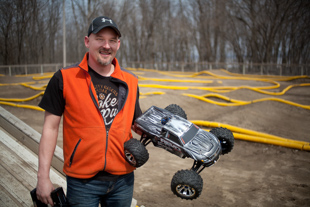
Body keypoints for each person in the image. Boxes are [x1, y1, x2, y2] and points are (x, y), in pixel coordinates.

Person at [35, 16, 142, 207]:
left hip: (123, 180)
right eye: (100, 38)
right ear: (87, 41)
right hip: (82, 182)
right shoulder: (64, 78)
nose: (106, 45)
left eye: (112, 40)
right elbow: (50, 129)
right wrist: (43, 178)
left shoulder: (131, 81)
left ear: (118, 44)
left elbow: (137, 123)